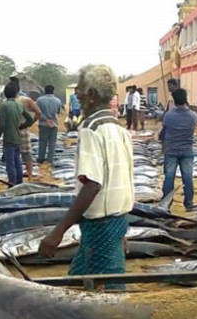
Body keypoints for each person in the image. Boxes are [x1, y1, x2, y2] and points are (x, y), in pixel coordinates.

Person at [38, 64, 134, 289]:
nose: (77, 95)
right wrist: (121, 230)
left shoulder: (91, 129)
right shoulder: (117, 127)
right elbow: (122, 178)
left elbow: (93, 184)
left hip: (100, 223)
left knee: (111, 292)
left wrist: (58, 231)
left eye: (79, 90)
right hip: (116, 220)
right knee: (77, 282)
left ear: (91, 95)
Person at [162, 89, 196, 210]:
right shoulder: (193, 115)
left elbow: (165, 130)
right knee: (187, 177)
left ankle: (166, 203)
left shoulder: (168, 115)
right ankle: (189, 203)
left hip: (171, 150)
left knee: (169, 177)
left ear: (174, 101)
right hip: (187, 150)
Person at [0, 83, 35, 185]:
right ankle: (19, 182)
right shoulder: (19, 104)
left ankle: (12, 183)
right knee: (17, 161)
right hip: (18, 138)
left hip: (9, 139)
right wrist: (22, 126)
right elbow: (30, 119)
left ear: (5, 93)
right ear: (16, 93)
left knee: (10, 163)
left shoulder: (4, 105)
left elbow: (1, 125)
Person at [36, 85, 63, 166]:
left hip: (43, 124)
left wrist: (45, 119)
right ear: (53, 91)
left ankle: (41, 159)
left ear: (45, 91)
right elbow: (59, 112)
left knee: (42, 142)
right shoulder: (58, 101)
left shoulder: (40, 100)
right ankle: (49, 160)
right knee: (52, 143)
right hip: (54, 124)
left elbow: (37, 112)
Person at [16, 94, 41, 180]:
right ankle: (29, 175)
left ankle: (17, 175)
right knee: (26, 153)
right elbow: (38, 112)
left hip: (11, 131)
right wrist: (30, 123)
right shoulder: (25, 100)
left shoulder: (7, 102)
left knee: (14, 154)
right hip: (23, 130)